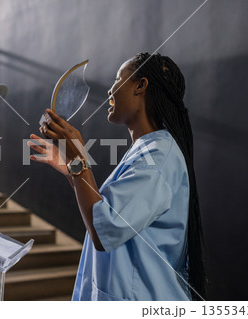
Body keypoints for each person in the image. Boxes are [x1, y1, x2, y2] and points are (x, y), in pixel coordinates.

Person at [28, 52, 206, 301]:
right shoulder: (148, 149)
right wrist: (69, 164)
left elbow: (105, 228)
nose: (110, 90)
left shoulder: (159, 155)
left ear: (141, 85)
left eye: (117, 79)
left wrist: (78, 158)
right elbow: (106, 210)